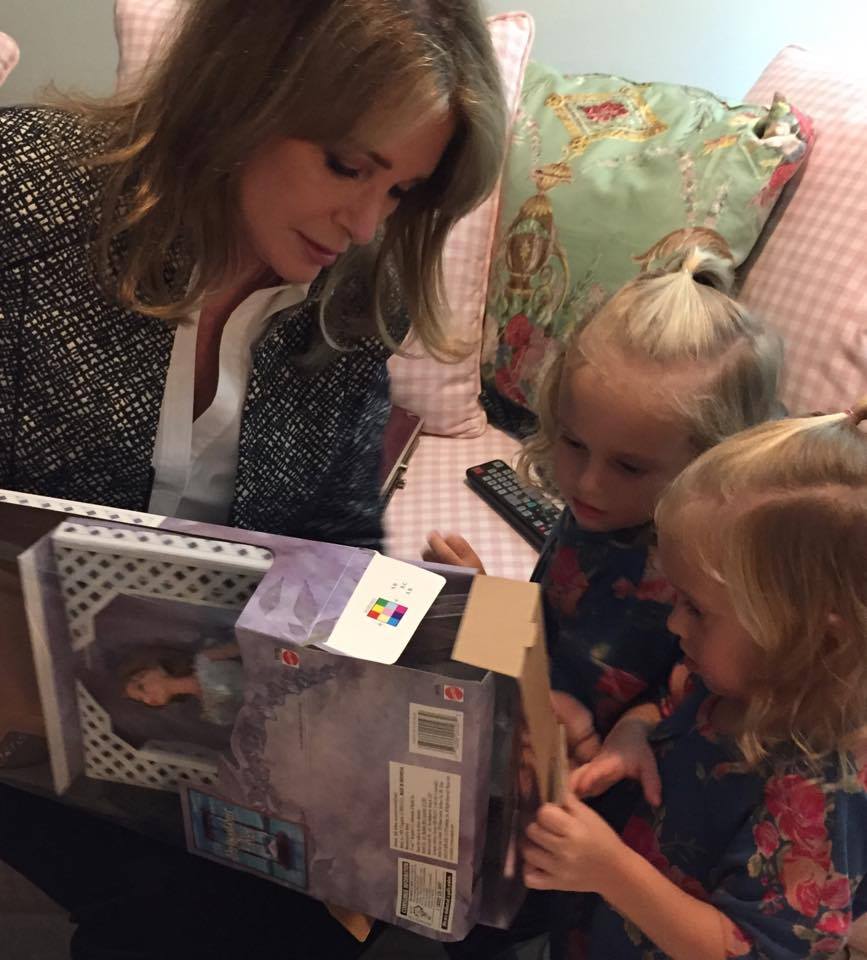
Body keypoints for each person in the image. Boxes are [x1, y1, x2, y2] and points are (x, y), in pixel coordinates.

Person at [0, 1, 507, 956]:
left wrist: (422, 639)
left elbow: (335, 537)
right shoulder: (24, 196)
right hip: (28, 726)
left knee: (440, 891)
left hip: (206, 718)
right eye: (346, 165)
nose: (365, 223)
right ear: (240, 91)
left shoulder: (357, 294)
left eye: (402, 190)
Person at [524, 401, 867, 959]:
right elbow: (669, 699)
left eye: (697, 610)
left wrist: (611, 871)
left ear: (816, 642)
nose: (674, 624)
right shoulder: (732, 679)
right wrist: (633, 733)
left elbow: (756, 950)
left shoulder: (822, 794)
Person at [427, 229, 783, 760]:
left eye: (629, 467)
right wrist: (487, 605)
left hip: (603, 774)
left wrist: (635, 731)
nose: (587, 484)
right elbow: (548, 638)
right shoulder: (598, 509)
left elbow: (705, 700)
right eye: (573, 443)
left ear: (713, 463)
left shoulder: (708, 580)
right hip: (532, 722)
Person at [122, 642, 244, 725]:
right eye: (140, 700)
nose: (147, 700)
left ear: (157, 669)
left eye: (141, 687)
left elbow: (244, 646)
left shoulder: (204, 660)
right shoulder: (213, 710)